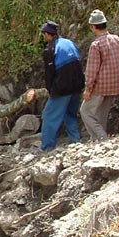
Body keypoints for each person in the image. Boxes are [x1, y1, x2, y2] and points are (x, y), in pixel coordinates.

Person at [80, 9, 119, 140]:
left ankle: (101, 137)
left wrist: (88, 89)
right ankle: (99, 141)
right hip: (115, 84)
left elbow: (92, 70)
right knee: (102, 113)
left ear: (93, 27)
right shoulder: (116, 39)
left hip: (100, 86)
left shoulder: (96, 45)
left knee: (85, 111)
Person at [39, 20, 84, 151]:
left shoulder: (50, 49)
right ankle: (75, 141)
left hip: (62, 88)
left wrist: (50, 90)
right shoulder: (69, 43)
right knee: (70, 113)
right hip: (77, 85)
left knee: (48, 116)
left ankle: (47, 146)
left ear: (47, 34)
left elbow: (49, 73)